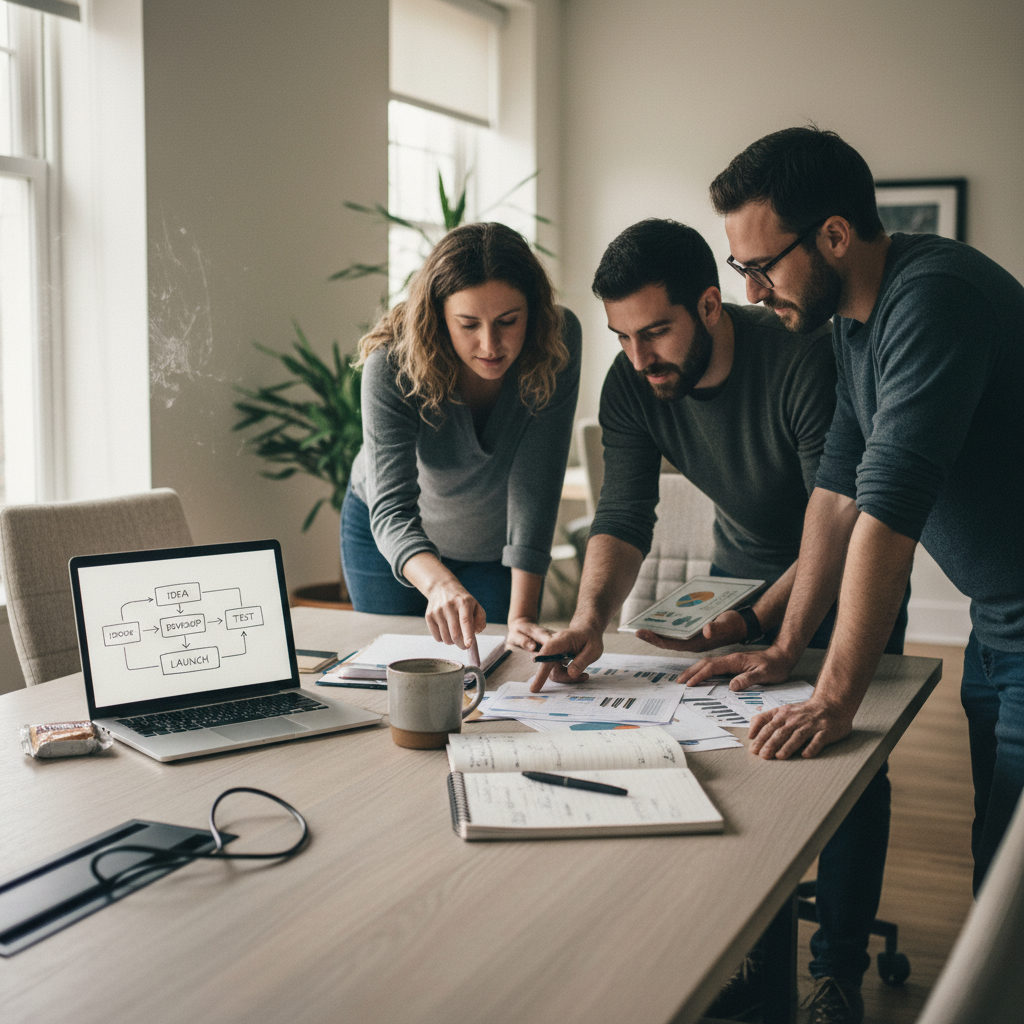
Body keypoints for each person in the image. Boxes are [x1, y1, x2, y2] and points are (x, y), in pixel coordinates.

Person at [531, 218, 903, 1024]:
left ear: (710, 305)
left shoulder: (800, 356)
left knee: (847, 770)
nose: (638, 358)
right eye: (621, 337)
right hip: (741, 582)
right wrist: (591, 618)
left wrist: (764, 624)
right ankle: (748, 956)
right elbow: (625, 515)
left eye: (656, 331)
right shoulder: (631, 381)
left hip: (842, 570)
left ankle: (836, 970)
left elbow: (837, 517)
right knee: (739, 760)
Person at [692, 126, 1024, 1019]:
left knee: (1010, 891)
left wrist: (835, 699)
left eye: (762, 267)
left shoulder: (934, 298)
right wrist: (782, 641)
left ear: (834, 236)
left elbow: (888, 514)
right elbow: (835, 496)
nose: (751, 293)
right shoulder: (851, 323)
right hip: (1001, 619)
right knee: (997, 862)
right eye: (739, 269)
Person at [342, 221, 581, 653]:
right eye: (468, 324)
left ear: (534, 310)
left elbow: (536, 484)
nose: (490, 344)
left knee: (496, 674)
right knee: (392, 672)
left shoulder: (557, 340)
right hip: (389, 537)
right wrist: (440, 584)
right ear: (437, 318)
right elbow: (392, 509)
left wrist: (523, 615)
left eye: (508, 321)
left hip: (492, 547)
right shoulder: (391, 363)